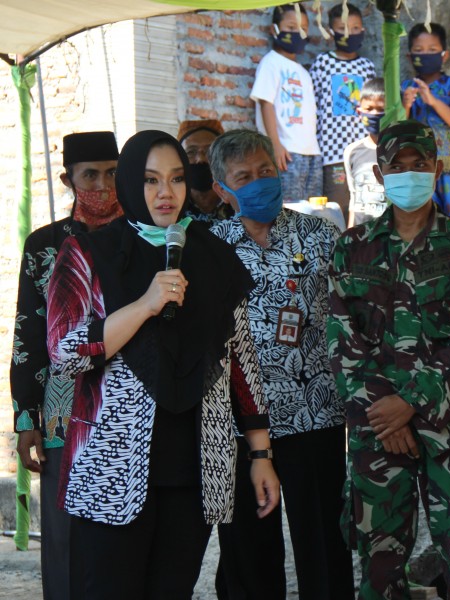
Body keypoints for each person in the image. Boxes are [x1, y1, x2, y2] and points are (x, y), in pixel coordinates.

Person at [45, 130, 280, 600]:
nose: (165, 193)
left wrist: (261, 455)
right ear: (131, 183)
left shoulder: (214, 255)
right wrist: (144, 305)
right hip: (111, 466)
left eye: (175, 178)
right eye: (151, 180)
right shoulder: (89, 254)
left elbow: (241, 363)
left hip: (194, 468)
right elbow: (64, 352)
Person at [327, 119, 450, 599]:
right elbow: (342, 340)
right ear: (380, 175)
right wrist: (387, 415)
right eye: (396, 166)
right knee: (379, 565)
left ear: (437, 170)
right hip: (379, 429)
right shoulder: (352, 248)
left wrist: (411, 405)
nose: (408, 174)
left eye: (418, 164)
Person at [210, 129, 354, 600]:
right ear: (221, 190)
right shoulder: (207, 248)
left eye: (265, 171)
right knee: (248, 555)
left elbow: (350, 320)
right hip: (239, 425)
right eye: (244, 177)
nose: (259, 183)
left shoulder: (321, 236)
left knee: (325, 545)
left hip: (315, 414)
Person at [11, 131, 121, 600]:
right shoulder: (44, 244)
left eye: (112, 173)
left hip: (129, 404)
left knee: (124, 535)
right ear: (67, 180)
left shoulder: (142, 236)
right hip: (62, 411)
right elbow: (28, 334)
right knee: (64, 536)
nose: (102, 185)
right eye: (90, 175)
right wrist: (26, 418)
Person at [402, 22, 450, 223]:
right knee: (424, 222)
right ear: (409, 56)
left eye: (432, 50)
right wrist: (406, 105)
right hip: (419, 169)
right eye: (419, 50)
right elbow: (399, 127)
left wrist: (433, 101)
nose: (425, 54)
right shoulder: (406, 88)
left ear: (445, 55)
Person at [309, 2, 376, 222]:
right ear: (331, 32)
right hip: (333, 153)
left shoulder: (366, 66)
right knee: (337, 207)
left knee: (364, 209)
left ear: (363, 30)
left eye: (355, 28)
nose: (349, 33)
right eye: (342, 28)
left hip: (363, 152)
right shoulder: (323, 63)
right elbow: (313, 104)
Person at [250, 3, 322, 203]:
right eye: (291, 27)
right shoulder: (271, 63)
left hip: (312, 153)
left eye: (303, 28)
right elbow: (265, 103)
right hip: (287, 153)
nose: (298, 33)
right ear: (274, 29)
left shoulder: (304, 72)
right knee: (288, 209)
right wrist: (274, 144)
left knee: (312, 211)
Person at [344, 77, 387, 227]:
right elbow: (354, 199)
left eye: (381, 109)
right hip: (362, 236)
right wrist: (350, 234)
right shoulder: (351, 151)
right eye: (369, 109)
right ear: (359, 112)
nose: (374, 114)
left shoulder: (400, 151)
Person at [177, 118, 234, 223]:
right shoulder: (172, 206)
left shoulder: (239, 203)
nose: (201, 159)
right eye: (191, 152)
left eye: (210, 151)